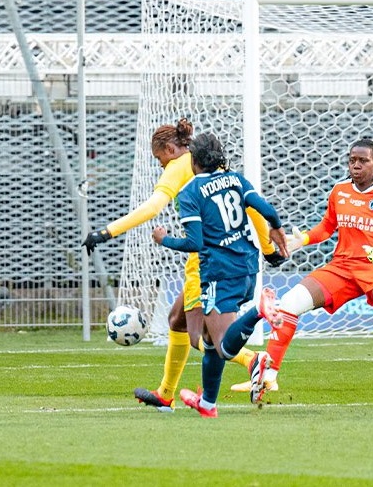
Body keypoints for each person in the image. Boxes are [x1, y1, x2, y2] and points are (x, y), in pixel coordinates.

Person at [81, 118, 286, 412]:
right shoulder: (225, 172)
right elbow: (252, 205)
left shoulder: (180, 169)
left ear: (168, 149)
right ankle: (167, 393)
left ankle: (252, 360)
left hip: (207, 263)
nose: (161, 165)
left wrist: (106, 232)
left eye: (159, 159)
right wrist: (267, 246)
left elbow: (152, 209)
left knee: (199, 337)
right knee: (176, 319)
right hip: (241, 257)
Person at [239, 138, 373, 397]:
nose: (356, 165)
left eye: (363, 160)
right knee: (289, 303)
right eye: (352, 160)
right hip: (342, 266)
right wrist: (303, 240)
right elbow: (327, 227)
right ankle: (269, 377)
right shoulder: (339, 190)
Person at [153, 132, 287, 417]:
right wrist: (275, 226)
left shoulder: (190, 193)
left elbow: (195, 243)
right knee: (210, 343)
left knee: (224, 346)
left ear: (193, 162)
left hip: (219, 272)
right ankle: (208, 404)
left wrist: (164, 239)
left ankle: (259, 313)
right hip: (248, 267)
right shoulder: (236, 180)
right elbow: (266, 210)